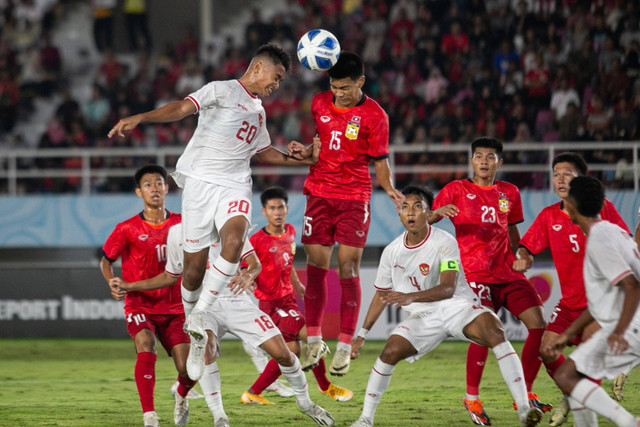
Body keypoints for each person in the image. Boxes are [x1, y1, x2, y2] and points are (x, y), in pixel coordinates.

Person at [108, 43, 319, 382]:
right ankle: (195, 326)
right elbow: (181, 107)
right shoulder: (222, 90)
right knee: (191, 272)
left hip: (235, 184)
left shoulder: (259, 112)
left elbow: (263, 152)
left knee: (234, 240)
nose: (276, 85)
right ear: (258, 68)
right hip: (199, 185)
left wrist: (305, 158)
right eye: (276, 77)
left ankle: (200, 312)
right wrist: (142, 118)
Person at [349, 186, 542, 427]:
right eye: (405, 207)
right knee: (389, 352)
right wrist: (362, 335)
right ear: (399, 214)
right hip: (424, 316)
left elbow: (448, 288)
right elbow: (381, 295)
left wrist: (410, 298)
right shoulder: (391, 252)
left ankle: (524, 408)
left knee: (495, 330)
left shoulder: (444, 242)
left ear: (428, 213)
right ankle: (365, 419)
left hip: (456, 307)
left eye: (418, 206)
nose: (411, 212)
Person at [112, 223, 335, 427]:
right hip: (203, 306)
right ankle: (220, 416)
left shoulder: (229, 225)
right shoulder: (178, 232)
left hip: (237, 301)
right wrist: (130, 286)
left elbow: (254, 264)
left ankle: (305, 403)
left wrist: (248, 276)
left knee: (283, 353)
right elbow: (171, 275)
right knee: (205, 348)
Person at [287, 51, 404, 376]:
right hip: (319, 194)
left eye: (346, 88)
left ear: (361, 82)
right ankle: (314, 341)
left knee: (348, 265)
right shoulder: (318, 103)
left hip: (354, 196)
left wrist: (390, 188)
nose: (339, 93)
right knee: (315, 265)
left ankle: (344, 346)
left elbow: (380, 162)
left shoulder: (376, 115)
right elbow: (322, 146)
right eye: (335, 87)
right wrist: (306, 152)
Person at [430, 137, 551, 426]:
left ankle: (526, 393)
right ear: (472, 160)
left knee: (539, 323)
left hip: (507, 272)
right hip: (473, 275)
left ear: (500, 162)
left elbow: (512, 230)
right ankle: (472, 397)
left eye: (490, 156)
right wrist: (436, 213)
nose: (484, 161)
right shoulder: (456, 189)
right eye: (479, 156)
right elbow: (425, 220)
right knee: (485, 331)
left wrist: (523, 253)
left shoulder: (510, 192)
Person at [513, 152, 630, 426]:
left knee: (586, 366)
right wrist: (523, 258)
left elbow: (624, 245)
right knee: (547, 350)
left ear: (581, 179)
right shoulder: (548, 215)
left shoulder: (602, 209)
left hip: (597, 305)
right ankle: (574, 393)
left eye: (567, 174)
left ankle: (583, 400)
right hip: (569, 304)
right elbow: (526, 248)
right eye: (556, 174)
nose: (560, 179)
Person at [100, 164, 195, 427]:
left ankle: (181, 392)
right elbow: (106, 261)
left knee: (188, 369)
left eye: (158, 183)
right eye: (147, 184)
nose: (154, 188)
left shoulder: (183, 223)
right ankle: (150, 416)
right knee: (145, 345)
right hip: (140, 303)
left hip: (176, 305)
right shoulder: (126, 228)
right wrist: (112, 282)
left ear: (167, 188)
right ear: (138, 192)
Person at [241, 187, 354, 404]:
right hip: (271, 304)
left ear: (287, 208)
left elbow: (288, 264)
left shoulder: (291, 231)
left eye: (280, 207)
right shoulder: (256, 240)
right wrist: (246, 277)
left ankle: (252, 393)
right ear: (264, 211)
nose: (277, 212)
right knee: (311, 335)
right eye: (272, 208)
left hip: (288, 299)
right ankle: (326, 386)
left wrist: (298, 285)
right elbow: (245, 266)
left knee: (290, 352)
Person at [544, 175, 640, 427]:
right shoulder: (613, 230)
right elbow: (600, 303)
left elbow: (631, 285)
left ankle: (629, 422)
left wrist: (619, 331)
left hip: (629, 326)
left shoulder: (599, 238)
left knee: (567, 375)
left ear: (571, 207)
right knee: (573, 377)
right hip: (626, 322)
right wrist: (568, 334)